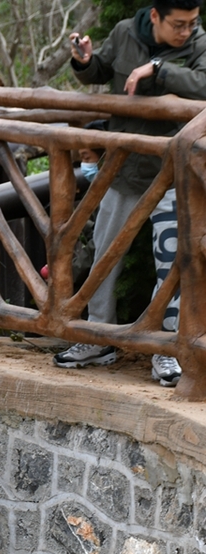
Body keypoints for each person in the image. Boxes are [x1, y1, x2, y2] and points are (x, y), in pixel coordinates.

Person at [53, 0, 206, 387]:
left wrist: (158, 69)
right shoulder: (124, 32)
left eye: (191, 23)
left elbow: (204, 84)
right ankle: (98, 337)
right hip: (121, 172)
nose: (185, 31)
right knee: (105, 254)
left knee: (171, 265)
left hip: (174, 176)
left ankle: (165, 350)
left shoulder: (200, 42)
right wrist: (86, 61)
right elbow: (99, 72)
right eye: (178, 24)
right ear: (154, 15)